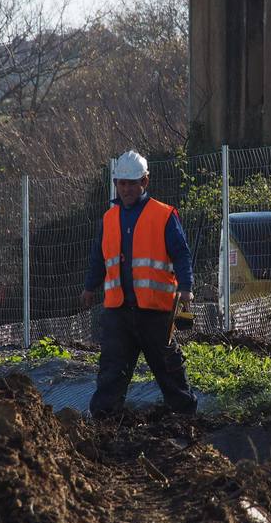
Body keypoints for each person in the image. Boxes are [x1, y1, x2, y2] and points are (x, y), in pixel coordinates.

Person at [80, 149, 197, 417]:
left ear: (145, 182)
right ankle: (104, 420)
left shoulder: (164, 215)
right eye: (122, 183)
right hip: (118, 312)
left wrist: (186, 288)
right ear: (116, 184)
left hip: (155, 312)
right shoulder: (109, 219)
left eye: (133, 183)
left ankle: (185, 416)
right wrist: (89, 287)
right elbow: (99, 258)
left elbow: (181, 253)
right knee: (111, 369)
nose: (127, 189)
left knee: (168, 368)